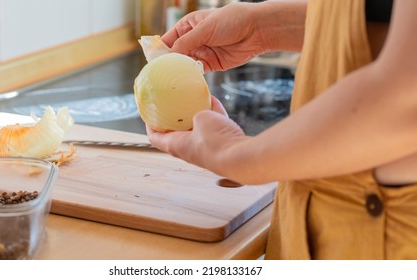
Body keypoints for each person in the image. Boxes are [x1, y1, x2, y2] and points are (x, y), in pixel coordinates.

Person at [146, 0, 417, 259]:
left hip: (384, 239)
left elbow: (407, 102)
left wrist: (235, 155)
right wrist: (264, 27)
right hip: (324, 222)